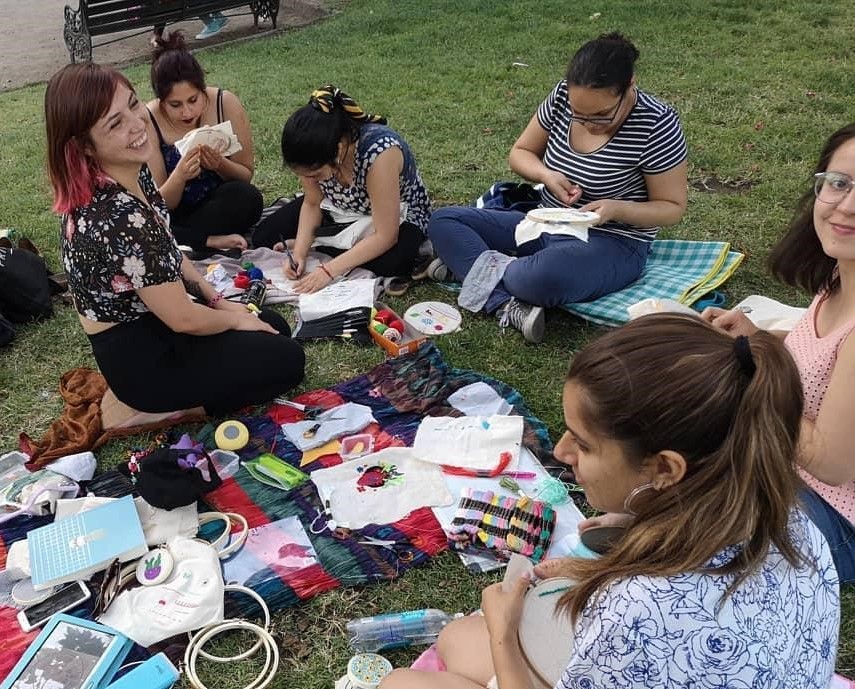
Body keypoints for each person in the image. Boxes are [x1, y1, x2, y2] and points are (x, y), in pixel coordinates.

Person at [380, 314, 839, 689]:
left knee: (400, 684)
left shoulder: (638, 607)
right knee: (459, 638)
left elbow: (660, 618)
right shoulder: (795, 524)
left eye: (583, 443)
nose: (560, 453)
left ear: (665, 469)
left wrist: (503, 633)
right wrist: (599, 566)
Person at [45, 63, 304, 420]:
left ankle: (186, 389)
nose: (136, 125)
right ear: (83, 146)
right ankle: (160, 410)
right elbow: (183, 318)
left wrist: (220, 302)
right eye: (115, 123)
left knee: (273, 325)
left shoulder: (131, 176)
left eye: (133, 105)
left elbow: (168, 252)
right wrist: (232, 320)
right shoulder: (117, 217)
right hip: (146, 360)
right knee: (288, 361)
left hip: (161, 322)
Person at [426, 33, 688, 343]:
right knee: (444, 221)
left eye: (602, 115)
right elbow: (520, 153)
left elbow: (672, 206)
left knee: (538, 278)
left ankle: (473, 268)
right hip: (544, 220)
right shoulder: (563, 95)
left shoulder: (657, 123)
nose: (589, 123)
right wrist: (548, 175)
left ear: (630, 85)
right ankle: (503, 302)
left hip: (612, 240)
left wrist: (616, 209)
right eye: (580, 114)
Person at [702, 122, 855, 584]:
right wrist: (761, 341)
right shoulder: (840, 273)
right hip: (788, 472)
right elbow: (819, 365)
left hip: (837, 515)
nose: (847, 206)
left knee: (696, 521)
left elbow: (830, 462)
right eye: (840, 183)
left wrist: (757, 375)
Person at [251, 85, 431, 294]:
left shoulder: (379, 153)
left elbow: (386, 235)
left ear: (337, 151)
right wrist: (300, 252)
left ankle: (324, 246)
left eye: (315, 174)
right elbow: (312, 202)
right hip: (339, 209)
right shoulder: (312, 154)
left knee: (395, 260)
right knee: (264, 236)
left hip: (395, 216)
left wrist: (327, 271)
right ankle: (329, 245)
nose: (309, 179)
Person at [146, 32, 262, 254]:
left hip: (216, 204)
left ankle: (184, 239)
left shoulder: (224, 102)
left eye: (193, 100)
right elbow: (160, 202)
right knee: (148, 221)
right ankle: (203, 240)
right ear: (161, 101)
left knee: (248, 197)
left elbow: (245, 175)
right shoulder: (149, 119)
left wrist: (219, 164)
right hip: (176, 212)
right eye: (175, 105)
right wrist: (180, 175)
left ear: (202, 90)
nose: (187, 112)